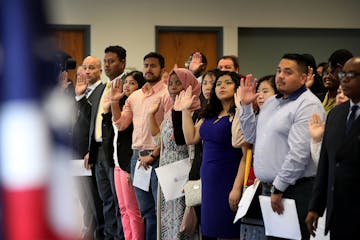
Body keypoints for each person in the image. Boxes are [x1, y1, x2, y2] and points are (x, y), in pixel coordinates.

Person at [238, 53, 325, 239]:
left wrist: (278, 187)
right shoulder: (272, 102)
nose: (280, 76)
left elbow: (300, 153)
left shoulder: (308, 105)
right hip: (270, 188)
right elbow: (252, 136)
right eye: (278, 71)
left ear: (303, 77)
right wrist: (245, 106)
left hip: (294, 189)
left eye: (288, 72)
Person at [178, 71, 247, 239]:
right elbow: (190, 137)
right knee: (208, 231)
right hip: (208, 182)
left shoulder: (240, 114)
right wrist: (185, 110)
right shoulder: (209, 114)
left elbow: (246, 157)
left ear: (237, 88)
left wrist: (237, 188)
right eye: (218, 84)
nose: (221, 86)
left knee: (228, 232)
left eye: (227, 83)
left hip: (229, 181)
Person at [113, 52, 172, 240]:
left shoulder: (167, 94)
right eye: (146, 65)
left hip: (159, 156)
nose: (148, 69)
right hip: (137, 156)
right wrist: (115, 102)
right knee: (145, 210)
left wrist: (154, 155)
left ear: (162, 69)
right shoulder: (135, 96)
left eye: (153, 65)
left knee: (158, 210)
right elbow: (121, 124)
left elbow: (169, 131)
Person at [306, 56, 360, 240]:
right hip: (337, 214)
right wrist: (316, 206)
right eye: (343, 74)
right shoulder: (336, 114)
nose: (344, 79)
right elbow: (326, 162)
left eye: (351, 74)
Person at [148, 68, 201, 240]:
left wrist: (182, 111)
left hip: (184, 172)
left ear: (190, 85)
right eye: (170, 83)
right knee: (166, 217)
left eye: (178, 82)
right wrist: (150, 115)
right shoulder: (171, 111)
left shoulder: (196, 112)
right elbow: (159, 140)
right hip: (168, 173)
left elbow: (188, 141)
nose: (173, 87)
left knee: (184, 220)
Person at [80, 55, 124, 240]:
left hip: (113, 151)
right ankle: (108, 236)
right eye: (105, 61)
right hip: (98, 151)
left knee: (117, 201)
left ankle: (119, 236)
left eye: (111, 61)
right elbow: (93, 124)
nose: (107, 65)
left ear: (123, 63)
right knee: (105, 199)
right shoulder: (101, 90)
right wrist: (91, 148)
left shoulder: (122, 88)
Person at [102, 71, 146, 240]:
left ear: (140, 86)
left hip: (128, 163)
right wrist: (110, 105)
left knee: (133, 210)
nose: (127, 86)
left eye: (132, 83)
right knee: (122, 208)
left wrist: (130, 168)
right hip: (117, 162)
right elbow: (111, 131)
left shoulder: (138, 108)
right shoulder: (120, 106)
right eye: (126, 82)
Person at [73, 66, 105, 240]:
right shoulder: (80, 93)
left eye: (90, 68)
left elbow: (93, 126)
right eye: (82, 70)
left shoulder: (102, 90)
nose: (85, 73)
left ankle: (97, 234)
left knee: (95, 201)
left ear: (99, 70)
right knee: (84, 201)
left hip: (91, 155)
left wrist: (90, 150)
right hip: (76, 157)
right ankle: (90, 232)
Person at [317, 49, 353, 115]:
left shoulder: (350, 97)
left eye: (332, 72)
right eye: (339, 92)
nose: (329, 76)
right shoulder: (319, 97)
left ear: (339, 69)